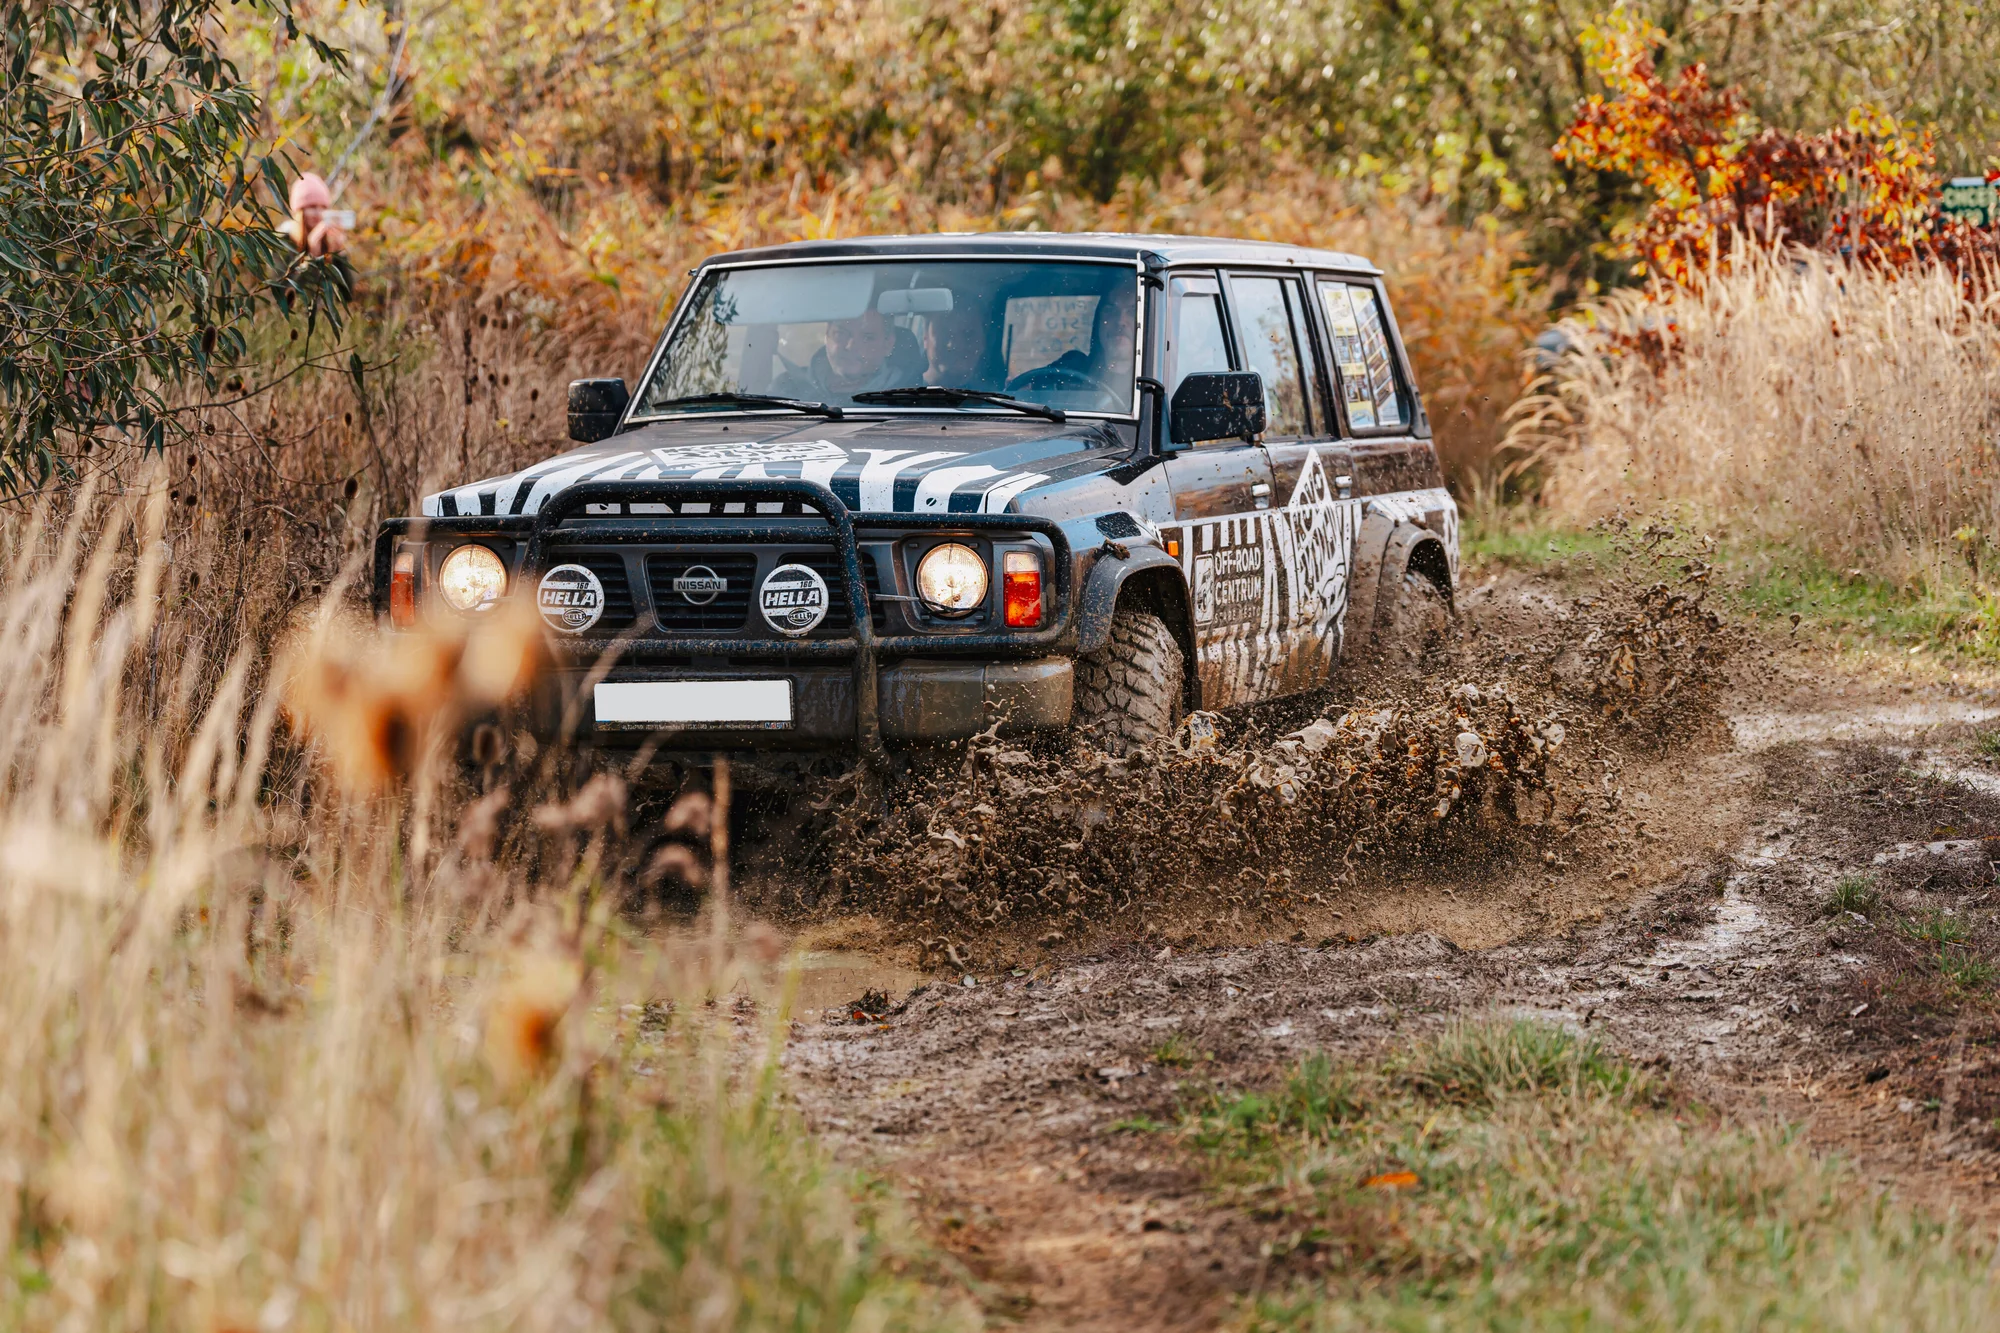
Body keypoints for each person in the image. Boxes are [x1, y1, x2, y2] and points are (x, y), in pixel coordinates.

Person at [281, 173, 348, 257]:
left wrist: (338, 252)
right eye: (312, 207)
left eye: (323, 207)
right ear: (299, 211)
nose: (318, 213)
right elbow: (282, 270)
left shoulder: (327, 241)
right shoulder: (283, 243)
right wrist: (312, 256)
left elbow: (341, 270)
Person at [922, 308, 990, 388]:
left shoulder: (1002, 397)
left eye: (968, 334)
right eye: (944, 332)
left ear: (982, 343)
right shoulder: (904, 393)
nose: (954, 345)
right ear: (926, 338)